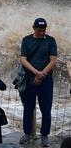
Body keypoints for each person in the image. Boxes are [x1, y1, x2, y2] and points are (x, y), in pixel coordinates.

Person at [19, 18, 58, 146]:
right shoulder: (26, 40)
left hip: (46, 80)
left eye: (44, 30)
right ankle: (27, 134)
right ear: (34, 28)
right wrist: (36, 73)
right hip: (30, 79)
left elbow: (53, 60)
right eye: (40, 30)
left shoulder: (51, 41)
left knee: (46, 109)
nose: (42, 33)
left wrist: (42, 74)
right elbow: (23, 59)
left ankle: (45, 135)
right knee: (28, 108)